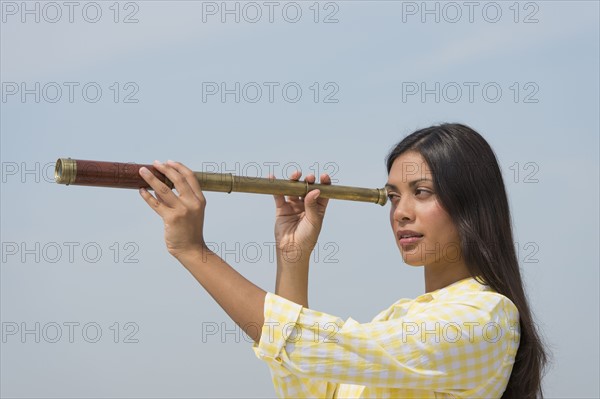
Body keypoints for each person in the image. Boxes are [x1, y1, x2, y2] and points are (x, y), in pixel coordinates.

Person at [138, 123, 547, 398]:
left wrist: (193, 251)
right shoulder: (399, 318)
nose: (400, 212)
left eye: (422, 191)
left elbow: (307, 345)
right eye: (392, 196)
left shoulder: (485, 315)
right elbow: (307, 387)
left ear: (471, 202)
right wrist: (293, 257)